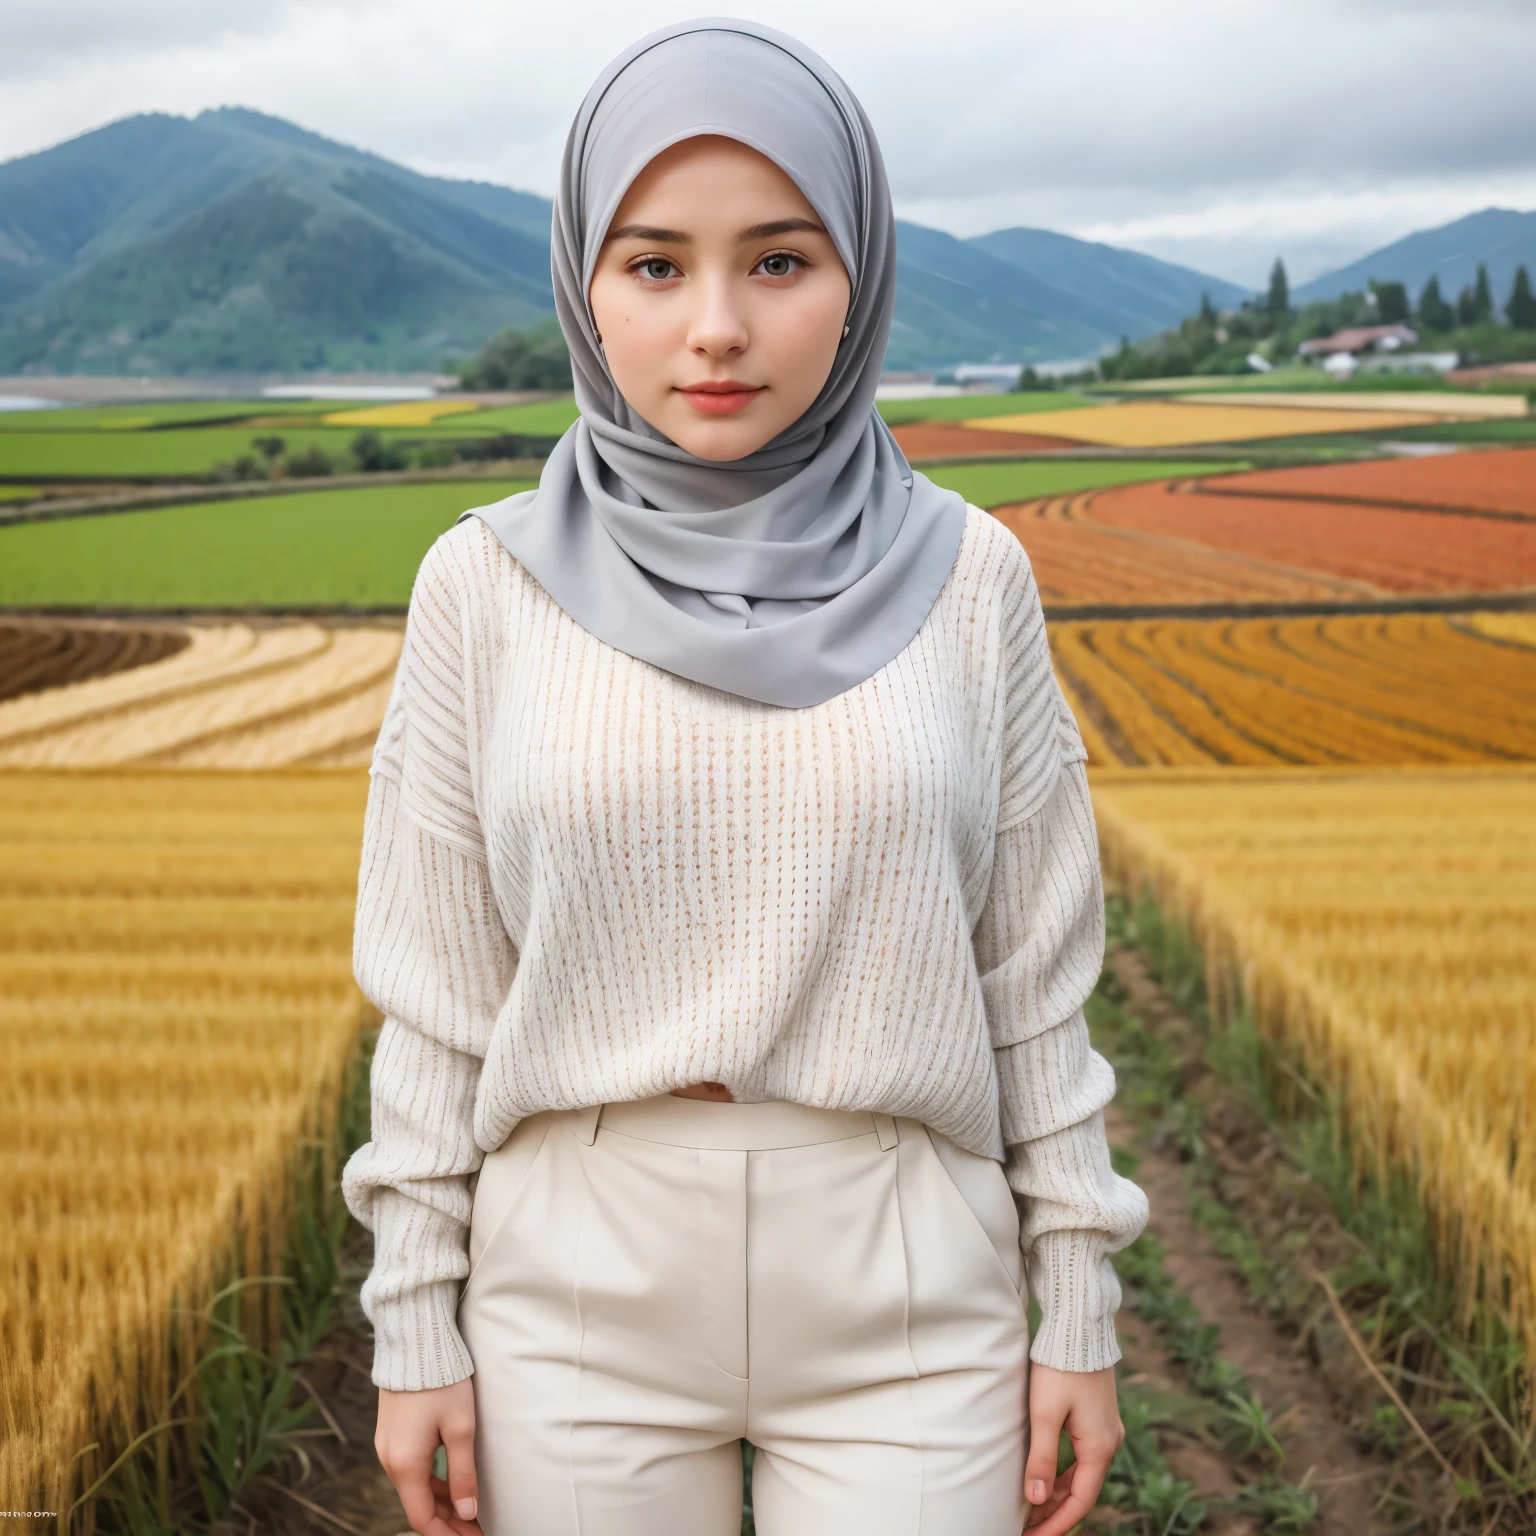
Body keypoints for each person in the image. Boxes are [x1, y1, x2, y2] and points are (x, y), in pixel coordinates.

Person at [340, 18, 1150, 1536]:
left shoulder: (974, 576)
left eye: (778, 262)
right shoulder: (481, 588)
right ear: (584, 283)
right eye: (655, 266)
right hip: (574, 1287)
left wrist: (1080, 1311)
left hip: (908, 1283)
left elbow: (1033, 980)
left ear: (861, 277)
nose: (716, 327)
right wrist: (414, 1326)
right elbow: (440, 1003)